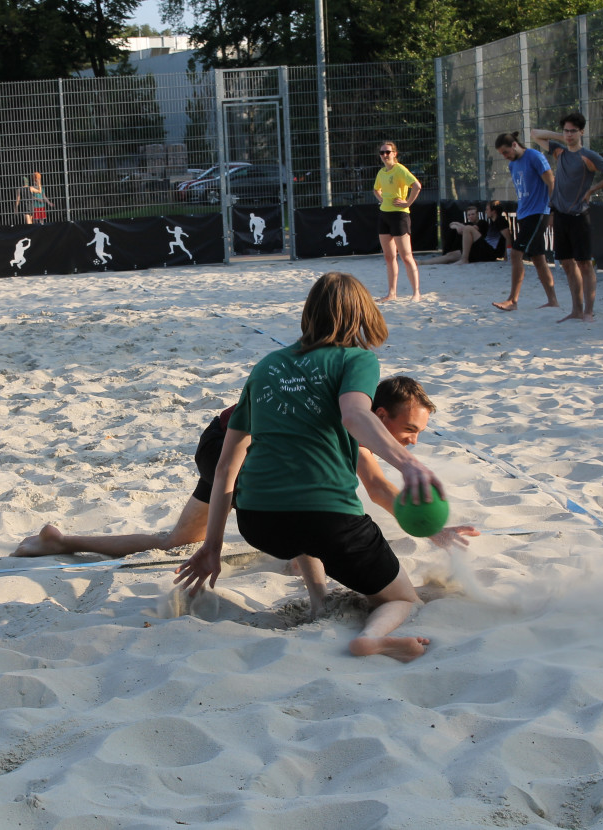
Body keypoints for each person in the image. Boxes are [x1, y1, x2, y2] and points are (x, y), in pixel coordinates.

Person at [175, 272, 448, 662]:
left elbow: (225, 469)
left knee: (299, 515)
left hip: (259, 523)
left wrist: (212, 547)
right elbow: (355, 415)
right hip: (330, 522)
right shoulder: (357, 359)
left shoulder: (267, 366)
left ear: (308, 315)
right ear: (362, 315)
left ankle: (319, 601)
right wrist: (409, 465)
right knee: (403, 599)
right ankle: (371, 638)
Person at [14, 375, 478, 562]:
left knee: (176, 541)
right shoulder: (345, 419)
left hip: (224, 439)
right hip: (230, 448)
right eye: (411, 429)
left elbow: (376, 487)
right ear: (381, 417)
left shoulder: (356, 418)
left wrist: (433, 530)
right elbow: (375, 486)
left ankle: (61, 540)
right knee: (306, 525)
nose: (414, 439)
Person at [532, 113, 603, 322]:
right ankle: (576, 309)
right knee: (567, 263)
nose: (568, 134)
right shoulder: (560, 153)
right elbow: (535, 135)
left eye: (572, 131)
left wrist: (593, 189)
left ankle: (588, 311)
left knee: (584, 263)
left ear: (581, 132)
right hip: (560, 215)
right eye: (566, 130)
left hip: (579, 215)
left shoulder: (588, 156)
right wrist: (561, 136)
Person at [492, 132, 559, 311]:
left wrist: (553, 210)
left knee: (516, 254)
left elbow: (551, 182)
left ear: (514, 145)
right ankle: (553, 300)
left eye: (506, 152)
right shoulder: (513, 165)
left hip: (538, 212)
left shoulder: (535, 156)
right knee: (538, 258)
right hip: (525, 213)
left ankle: (513, 300)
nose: (505, 157)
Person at [373, 141, 422, 301]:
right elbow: (375, 189)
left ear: (394, 153)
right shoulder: (381, 172)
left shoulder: (400, 170)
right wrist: (382, 200)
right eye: (382, 153)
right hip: (384, 215)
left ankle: (416, 293)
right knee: (389, 256)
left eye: (388, 152)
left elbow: (416, 186)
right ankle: (392, 293)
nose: (385, 155)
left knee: (406, 256)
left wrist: (407, 202)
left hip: (399, 215)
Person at [420, 202, 511, 265]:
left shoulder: (498, 221)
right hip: (482, 250)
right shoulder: (493, 221)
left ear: (493, 211)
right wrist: (456, 225)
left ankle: (464, 259)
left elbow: (508, 238)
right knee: (451, 255)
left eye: (487, 209)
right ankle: (422, 263)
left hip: (490, 252)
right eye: (469, 215)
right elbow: (452, 225)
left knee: (468, 228)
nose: (486, 211)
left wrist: (507, 256)